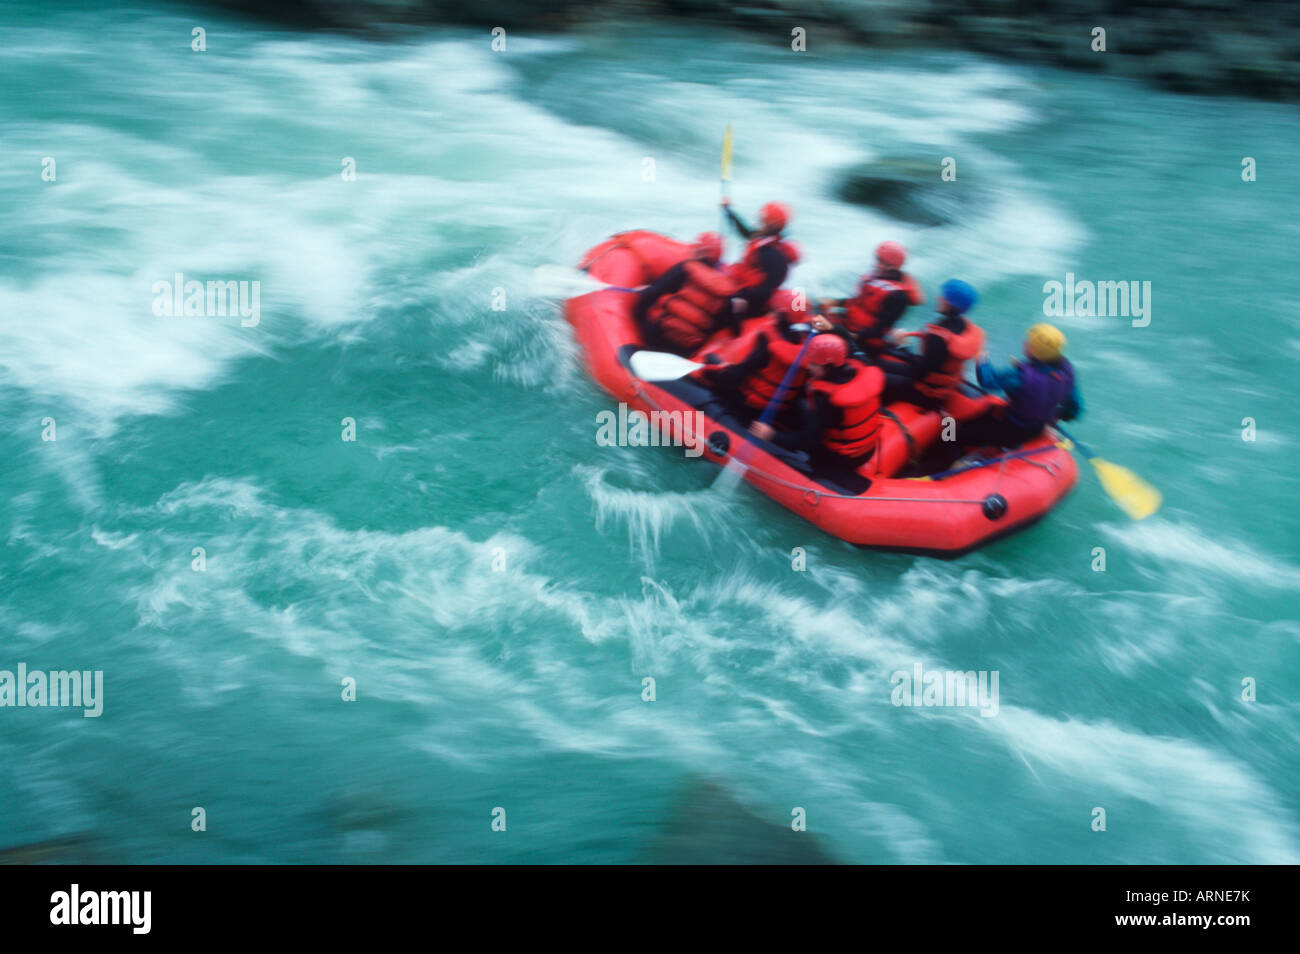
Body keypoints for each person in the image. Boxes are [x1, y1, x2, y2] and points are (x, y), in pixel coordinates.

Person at [748, 333, 885, 472]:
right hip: (868, 448)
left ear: (829, 366)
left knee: (793, 423)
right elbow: (850, 341)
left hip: (843, 458)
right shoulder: (857, 367)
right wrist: (831, 328)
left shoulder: (826, 398)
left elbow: (808, 440)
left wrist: (771, 435)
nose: (808, 367)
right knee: (802, 406)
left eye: (813, 364)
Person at [958, 322, 1083, 449]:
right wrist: (1050, 418)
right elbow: (1073, 409)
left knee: (960, 433)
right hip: (1037, 429)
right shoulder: (1066, 373)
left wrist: (981, 361)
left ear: (1036, 352)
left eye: (1029, 343)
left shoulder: (1020, 376)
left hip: (1011, 430)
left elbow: (988, 381)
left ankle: (957, 455)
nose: (1024, 342)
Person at [700, 289, 810, 427]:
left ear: (781, 312)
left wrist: (720, 368)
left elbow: (742, 371)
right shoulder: (807, 343)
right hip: (778, 409)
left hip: (750, 404)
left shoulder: (770, 340)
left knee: (712, 363)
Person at [884, 278, 983, 411]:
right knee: (881, 364)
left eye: (943, 297)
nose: (938, 298)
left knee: (879, 375)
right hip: (942, 387)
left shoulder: (939, 337)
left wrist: (903, 346)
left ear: (950, 304)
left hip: (926, 393)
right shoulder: (962, 325)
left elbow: (920, 372)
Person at [632, 232, 737, 354]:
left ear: (700, 251)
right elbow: (731, 324)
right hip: (689, 348)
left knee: (654, 301)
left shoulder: (685, 269)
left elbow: (649, 295)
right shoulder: (727, 288)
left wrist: (636, 317)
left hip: (659, 337)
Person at [819, 241, 924, 356]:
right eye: (877, 259)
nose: (876, 264)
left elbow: (881, 328)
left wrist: (851, 335)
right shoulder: (875, 277)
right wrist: (834, 302)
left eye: (880, 261)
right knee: (815, 313)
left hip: (864, 341)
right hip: (848, 324)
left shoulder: (898, 296)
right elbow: (856, 301)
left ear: (891, 266)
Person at [720, 198, 800, 317]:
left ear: (771, 224)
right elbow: (746, 232)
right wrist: (729, 212)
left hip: (752, 302)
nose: (760, 222)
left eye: (763, 220)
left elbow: (768, 288)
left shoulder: (772, 254)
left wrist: (739, 295)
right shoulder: (764, 239)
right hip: (746, 290)